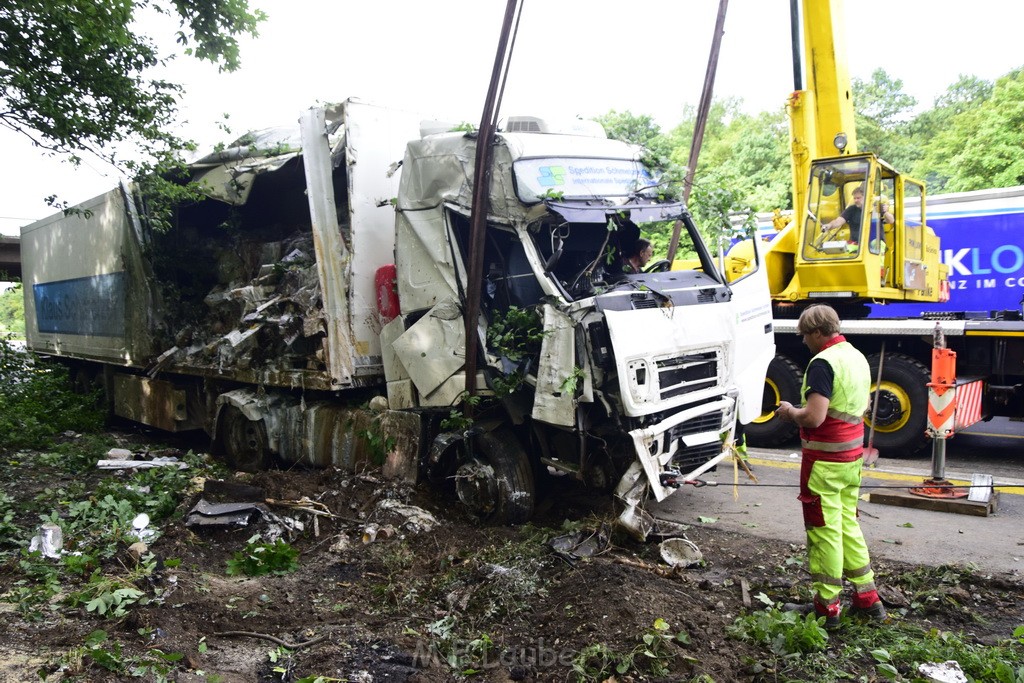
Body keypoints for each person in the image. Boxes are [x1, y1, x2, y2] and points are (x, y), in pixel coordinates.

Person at [775, 304, 887, 628]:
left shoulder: (822, 363)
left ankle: (827, 610)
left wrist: (789, 412)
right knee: (847, 526)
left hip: (824, 461)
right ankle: (869, 601)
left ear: (817, 332)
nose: (804, 342)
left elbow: (814, 416)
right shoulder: (855, 356)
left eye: (804, 335)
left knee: (824, 533)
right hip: (852, 459)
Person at [822, 186, 893, 244]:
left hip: (876, 245)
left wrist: (885, 212)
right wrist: (829, 225)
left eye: (858, 198)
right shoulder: (851, 210)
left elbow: (891, 220)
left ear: (866, 197)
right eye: (854, 198)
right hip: (857, 245)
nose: (855, 200)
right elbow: (838, 221)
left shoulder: (877, 207)